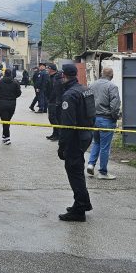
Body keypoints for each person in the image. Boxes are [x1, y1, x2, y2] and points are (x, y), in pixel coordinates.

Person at [57, 62, 97, 222]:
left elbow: (67, 125)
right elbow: (92, 114)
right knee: (77, 170)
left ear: (63, 75)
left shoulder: (70, 95)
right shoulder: (85, 90)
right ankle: (81, 203)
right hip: (86, 134)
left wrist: (62, 146)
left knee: (74, 172)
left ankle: (80, 209)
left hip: (75, 138)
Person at [86, 67, 121, 180]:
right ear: (112, 75)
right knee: (105, 147)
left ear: (101, 74)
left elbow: (87, 102)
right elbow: (115, 105)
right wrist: (115, 117)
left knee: (96, 142)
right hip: (106, 119)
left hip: (94, 119)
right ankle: (103, 172)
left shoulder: (92, 85)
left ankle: (91, 164)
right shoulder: (112, 86)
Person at [0, 68, 22, 144]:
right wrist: (13, 97)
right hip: (12, 104)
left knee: (5, 121)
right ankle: (5, 136)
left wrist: (0, 96)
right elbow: (19, 93)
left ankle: (7, 138)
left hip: (2, 103)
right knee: (7, 121)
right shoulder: (15, 82)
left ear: (4, 74)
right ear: (11, 74)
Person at [44, 62, 63, 141]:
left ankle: (58, 134)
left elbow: (55, 91)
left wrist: (53, 99)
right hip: (51, 100)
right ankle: (55, 133)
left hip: (54, 101)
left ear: (51, 69)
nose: (46, 70)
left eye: (47, 68)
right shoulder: (51, 77)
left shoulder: (56, 78)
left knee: (54, 118)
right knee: (52, 118)